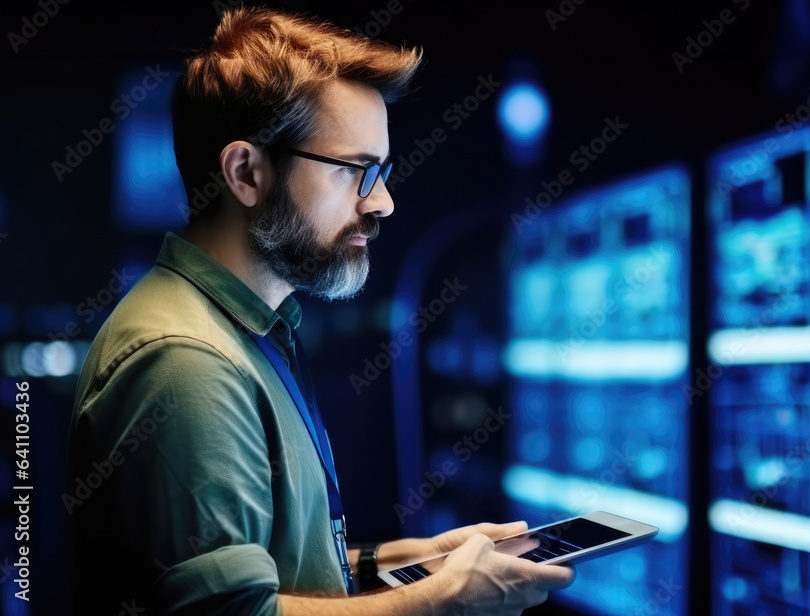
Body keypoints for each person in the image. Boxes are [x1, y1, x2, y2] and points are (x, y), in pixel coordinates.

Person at [67, 6, 574, 615]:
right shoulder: (186, 362)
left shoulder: (244, 331)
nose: (383, 202)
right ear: (245, 173)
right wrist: (444, 602)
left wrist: (422, 562)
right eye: (355, 171)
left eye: (381, 171)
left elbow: (280, 569)